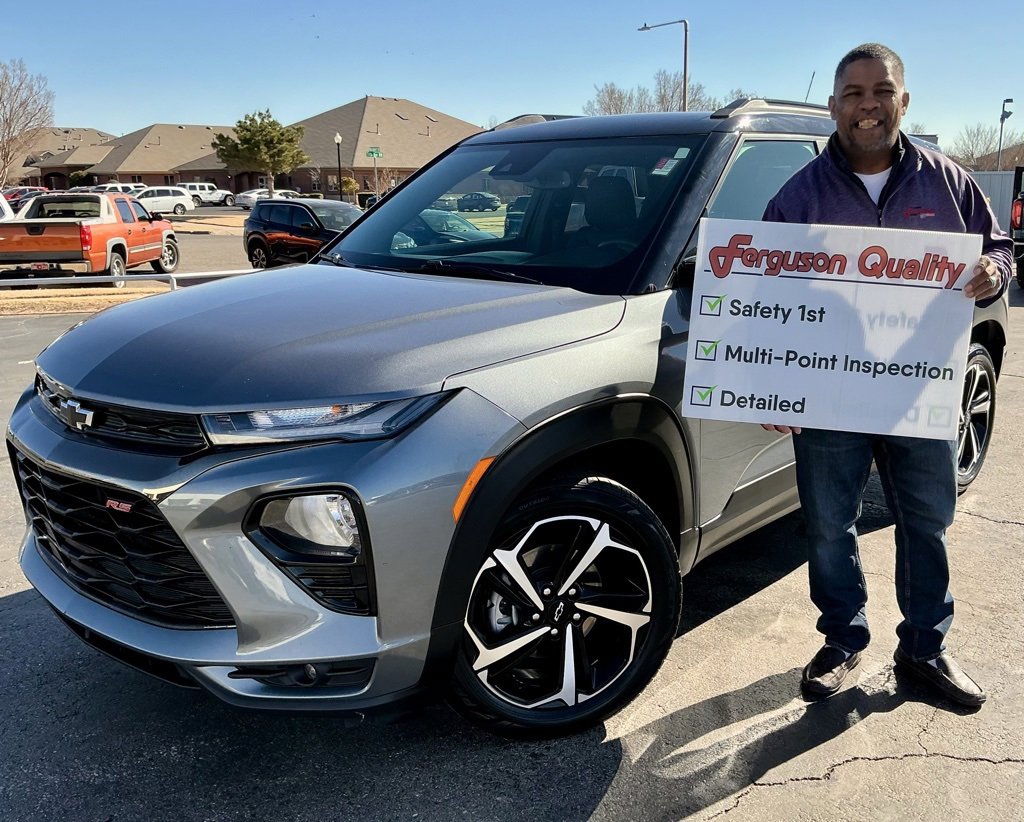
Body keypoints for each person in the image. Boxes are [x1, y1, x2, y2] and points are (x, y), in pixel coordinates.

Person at [761, 43, 1013, 707]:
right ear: (833, 105)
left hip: (917, 391)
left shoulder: (948, 181)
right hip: (829, 393)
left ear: (903, 100)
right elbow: (763, 289)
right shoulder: (798, 197)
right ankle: (842, 639)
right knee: (827, 524)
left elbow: (997, 247)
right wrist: (768, 378)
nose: (867, 106)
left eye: (881, 91)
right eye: (853, 93)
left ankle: (924, 650)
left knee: (925, 521)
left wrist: (995, 273)